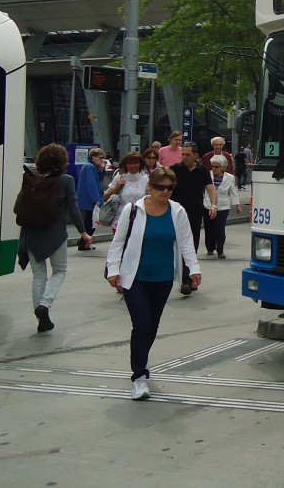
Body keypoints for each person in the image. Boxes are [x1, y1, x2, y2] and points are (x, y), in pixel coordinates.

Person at [104, 166, 202, 400]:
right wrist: (113, 269)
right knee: (142, 324)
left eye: (170, 188)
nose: (165, 192)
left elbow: (187, 243)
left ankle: (141, 363)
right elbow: (118, 242)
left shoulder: (177, 211)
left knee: (152, 326)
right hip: (134, 277)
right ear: (150, 187)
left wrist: (194, 269)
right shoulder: (133, 210)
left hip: (163, 277)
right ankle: (139, 376)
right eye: (160, 187)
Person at [18, 143, 93, 333]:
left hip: (31, 234)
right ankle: (45, 304)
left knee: (38, 275)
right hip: (55, 234)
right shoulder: (66, 180)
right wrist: (83, 232)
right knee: (59, 271)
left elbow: (18, 206)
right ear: (62, 162)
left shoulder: (30, 179)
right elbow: (73, 209)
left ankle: (41, 317)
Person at [170, 143, 217, 295]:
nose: (184, 157)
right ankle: (181, 278)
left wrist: (213, 205)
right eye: (182, 154)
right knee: (175, 246)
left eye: (187, 155)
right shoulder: (174, 169)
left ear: (196, 155)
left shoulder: (202, 171)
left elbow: (211, 189)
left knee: (191, 246)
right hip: (175, 214)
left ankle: (188, 280)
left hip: (195, 214)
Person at [204, 155, 242, 258]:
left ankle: (220, 250)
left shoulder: (230, 178)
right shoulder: (207, 175)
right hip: (208, 204)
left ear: (223, 167)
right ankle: (210, 248)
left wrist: (237, 205)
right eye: (212, 166)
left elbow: (233, 192)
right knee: (209, 228)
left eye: (217, 167)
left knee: (220, 228)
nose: (214, 169)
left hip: (223, 206)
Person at [103, 151, 149, 225]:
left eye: (135, 163)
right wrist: (115, 189)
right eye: (129, 163)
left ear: (140, 164)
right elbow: (104, 198)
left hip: (140, 220)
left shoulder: (145, 179)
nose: (133, 165)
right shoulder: (119, 178)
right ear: (125, 165)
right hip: (120, 220)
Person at [74, 146, 106, 244]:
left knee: (90, 221)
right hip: (89, 200)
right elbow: (91, 183)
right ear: (93, 157)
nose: (101, 160)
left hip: (88, 199)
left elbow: (98, 180)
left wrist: (101, 170)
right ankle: (84, 242)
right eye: (100, 158)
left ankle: (84, 242)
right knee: (90, 222)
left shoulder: (91, 167)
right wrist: (95, 199)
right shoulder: (89, 167)